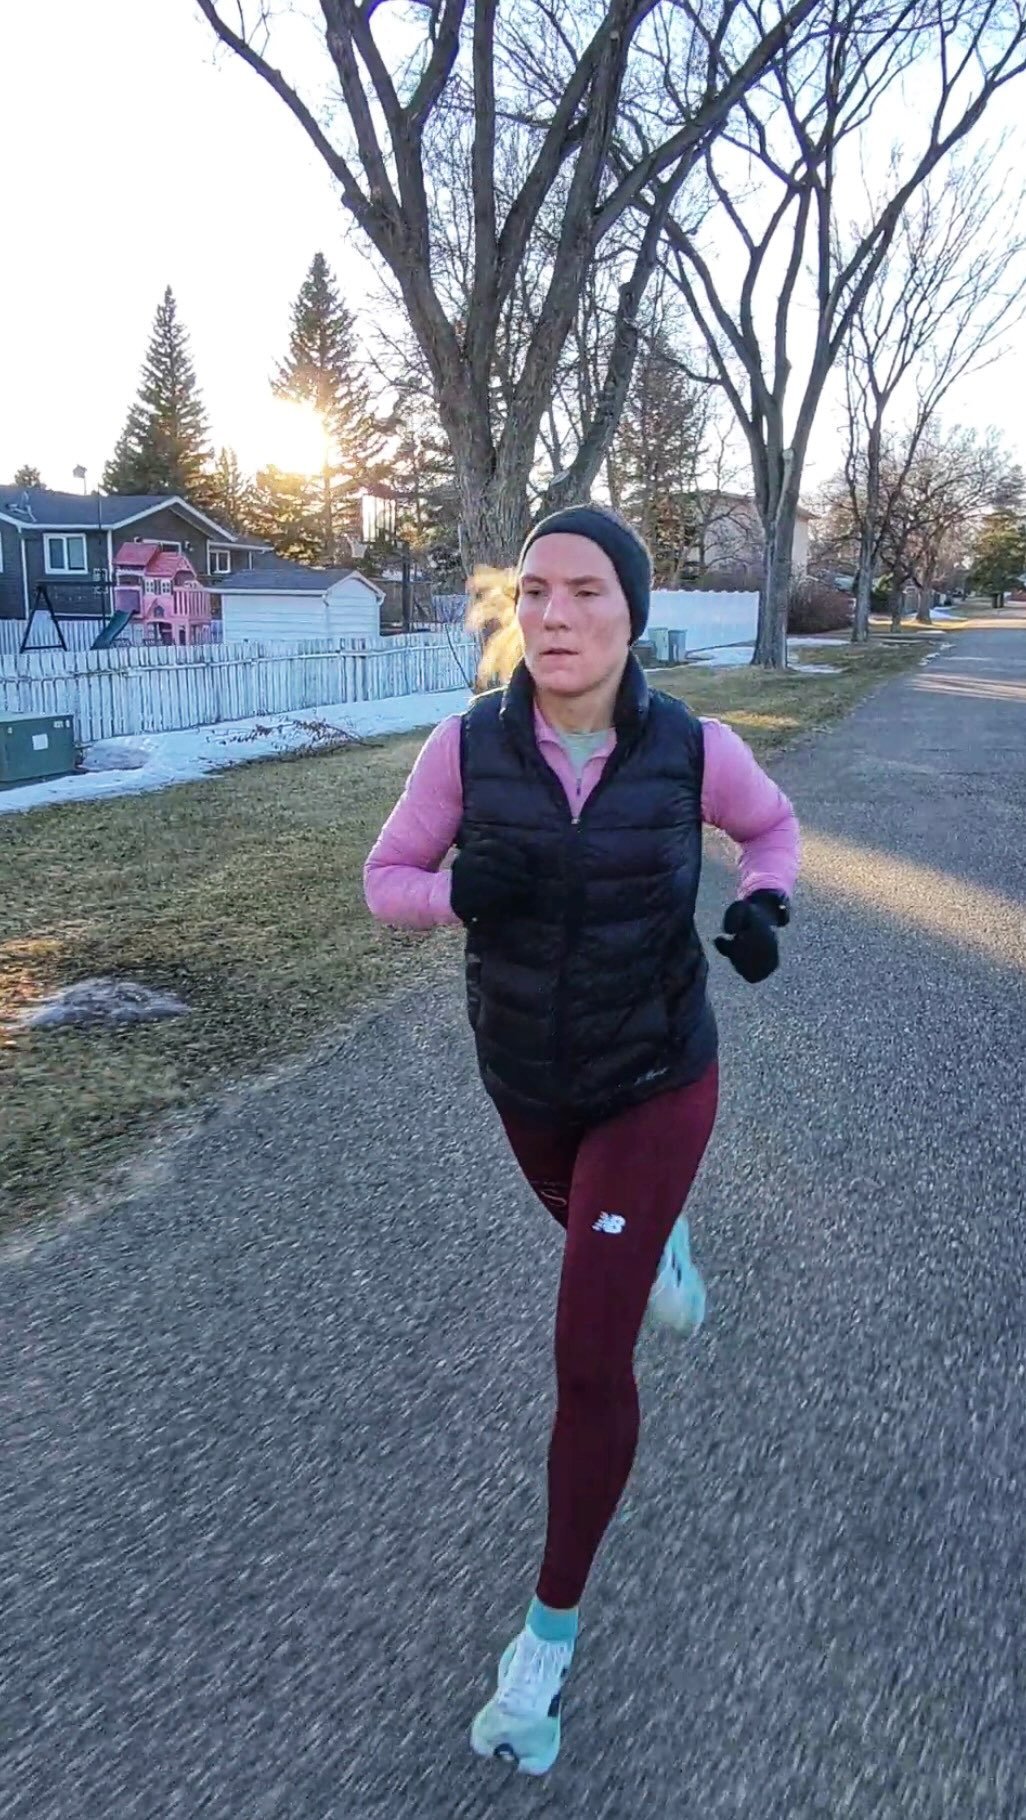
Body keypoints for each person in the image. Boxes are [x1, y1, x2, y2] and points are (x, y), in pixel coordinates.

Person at [364, 506, 800, 1776]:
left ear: (633, 615)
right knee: (603, 1242)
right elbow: (386, 880)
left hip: (658, 1075)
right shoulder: (463, 749)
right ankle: (653, 1243)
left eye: (586, 591)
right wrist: (455, 895)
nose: (553, 615)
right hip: (527, 1083)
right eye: (535, 591)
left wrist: (766, 904)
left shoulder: (694, 747)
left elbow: (771, 830)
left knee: (588, 1353)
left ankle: (543, 1646)